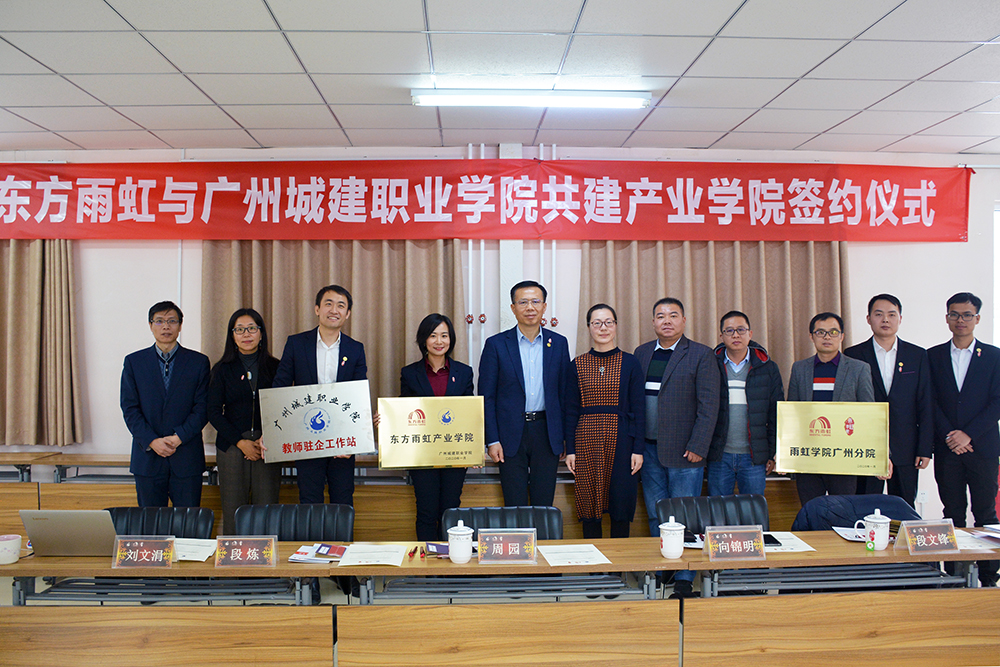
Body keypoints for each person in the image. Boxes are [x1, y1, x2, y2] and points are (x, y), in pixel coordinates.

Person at [634, 298, 720, 598]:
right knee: (656, 513)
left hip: (686, 451)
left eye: (673, 315)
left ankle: (684, 575)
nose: (666, 321)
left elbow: (709, 405)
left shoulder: (700, 354)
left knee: (685, 516)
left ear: (684, 320)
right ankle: (662, 568)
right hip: (649, 450)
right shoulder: (642, 353)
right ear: (653, 322)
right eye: (660, 316)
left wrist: (699, 445)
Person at [927, 292, 999, 587]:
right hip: (947, 450)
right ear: (947, 318)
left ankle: (989, 577)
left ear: (977, 318)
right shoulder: (932, 356)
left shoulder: (994, 356)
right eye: (955, 314)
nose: (961, 320)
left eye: (967, 315)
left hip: (982, 448)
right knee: (952, 513)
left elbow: (997, 401)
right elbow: (929, 401)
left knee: (985, 513)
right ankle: (954, 577)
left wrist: (968, 434)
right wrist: (950, 435)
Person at [272, 285, 367, 506]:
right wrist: (273, 431)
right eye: (328, 304)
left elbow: (358, 394)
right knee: (309, 499)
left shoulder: (355, 349)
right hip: (306, 437)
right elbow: (280, 387)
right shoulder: (296, 344)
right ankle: (312, 533)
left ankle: (340, 533)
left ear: (347, 313)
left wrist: (353, 440)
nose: (334, 310)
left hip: (342, 440)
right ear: (317, 309)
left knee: (342, 500)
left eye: (341, 306)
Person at [479, 280, 571, 507]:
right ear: (513, 308)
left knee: (544, 503)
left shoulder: (559, 344)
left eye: (535, 301)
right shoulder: (496, 345)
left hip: (546, 432)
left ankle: (542, 533)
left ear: (544, 306)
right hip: (509, 435)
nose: (530, 307)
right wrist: (492, 439)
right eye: (523, 302)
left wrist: (565, 438)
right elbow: (486, 397)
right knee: (514, 503)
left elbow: (564, 395)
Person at [120, 300, 210, 508]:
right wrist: (152, 441)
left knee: (188, 523)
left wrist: (179, 438)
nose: (166, 326)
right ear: (150, 325)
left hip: (186, 457)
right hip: (148, 458)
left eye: (172, 321)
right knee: (151, 523)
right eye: (159, 321)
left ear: (180, 325)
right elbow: (130, 408)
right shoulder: (134, 362)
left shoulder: (198, 362)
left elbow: (203, 407)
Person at [565, 304, 644, 538]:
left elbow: (639, 410)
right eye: (597, 323)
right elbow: (570, 410)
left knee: (620, 502)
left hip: (622, 442)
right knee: (589, 502)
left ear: (616, 326)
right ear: (589, 327)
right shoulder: (577, 364)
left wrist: (638, 449)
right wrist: (571, 450)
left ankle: (619, 561)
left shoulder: (630, 363)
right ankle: (593, 561)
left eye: (609, 322)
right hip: (586, 442)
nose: (603, 328)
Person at [845, 294, 933, 504]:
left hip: (906, 446)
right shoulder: (853, 354)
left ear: (900, 319)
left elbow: (926, 403)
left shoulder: (917, 355)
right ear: (868, 319)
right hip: (865, 446)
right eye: (879, 314)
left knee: (903, 507)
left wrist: (925, 448)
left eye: (892, 314)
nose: (885, 319)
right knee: (863, 505)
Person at [787, 312, 876, 505]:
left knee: (843, 511)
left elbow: (869, 414)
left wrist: (881, 455)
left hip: (843, 457)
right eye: (820, 332)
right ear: (811, 336)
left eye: (833, 332)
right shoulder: (800, 369)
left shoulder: (859, 369)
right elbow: (791, 414)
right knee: (811, 510)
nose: (827, 337)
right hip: (809, 457)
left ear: (842, 336)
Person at [399, 313, 475, 541]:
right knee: (426, 510)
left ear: (451, 339)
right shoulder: (409, 373)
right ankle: (426, 562)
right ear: (424, 339)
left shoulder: (464, 372)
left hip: (455, 454)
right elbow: (404, 412)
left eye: (444, 335)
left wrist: (473, 449)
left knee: (450, 510)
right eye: (433, 336)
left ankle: (450, 559)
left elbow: (469, 413)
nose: (439, 341)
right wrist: (386, 418)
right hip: (423, 454)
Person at [207, 308, 282, 534]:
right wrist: (240, 443)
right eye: (239, 329)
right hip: (232, 445)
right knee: (233, 510)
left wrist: (267, 436)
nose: (246, 334)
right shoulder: (222, 369)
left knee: (266, 510)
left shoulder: (276, 367)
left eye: (251, 328)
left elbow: (284, 406)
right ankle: (234, 556)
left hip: (266, 445)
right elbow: (213, 411)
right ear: (232, 335)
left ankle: (266, 557)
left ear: (261, 333)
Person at [707, 311, 784, 497]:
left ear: (750, 334)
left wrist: (772, 453)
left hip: (754, 457)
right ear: (721, 336)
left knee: (753, 510)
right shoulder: (709, 365)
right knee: (718, 510)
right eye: (729, 330)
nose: (735, 335)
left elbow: (776, 414)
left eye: (741, 330)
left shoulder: (768, 368)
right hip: (719, 455)